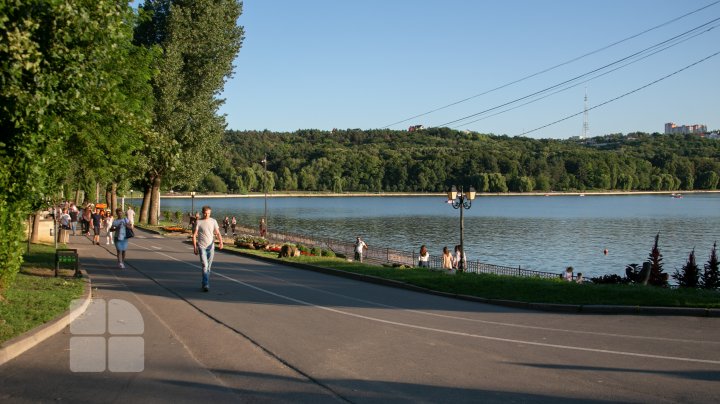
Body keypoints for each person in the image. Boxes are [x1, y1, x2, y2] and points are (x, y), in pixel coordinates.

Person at [193, 205, 224, 292]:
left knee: (209, 267)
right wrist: (195, 247)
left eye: (209, 213)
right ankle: (206, 284)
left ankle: (204, 282)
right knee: (205, 265)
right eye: (206, 213)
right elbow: (194, 235)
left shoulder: (213, 221)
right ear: (203, 213)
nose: (207, 215)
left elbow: (217, 233)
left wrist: (221, 242)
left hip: (211, 247)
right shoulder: (198, 222)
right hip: (202, 246)